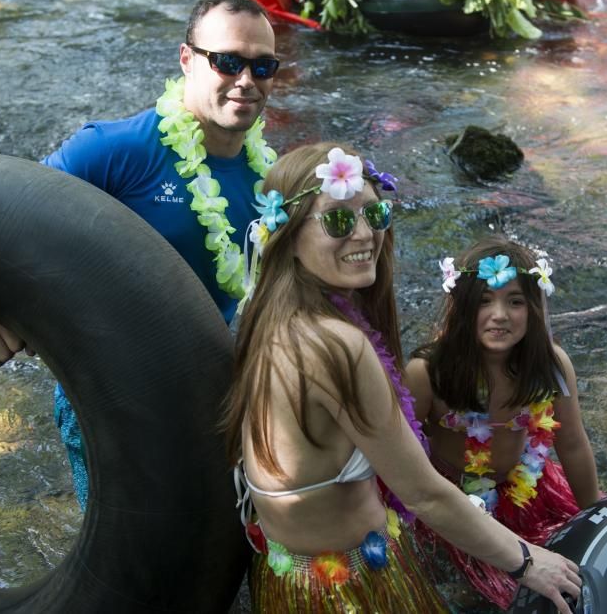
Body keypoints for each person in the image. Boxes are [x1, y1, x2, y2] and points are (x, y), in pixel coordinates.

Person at [225, 142, 582, 613]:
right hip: (348, 589)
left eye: (375, 214)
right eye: (337, 220)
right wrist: (526, 561)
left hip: (294, 576)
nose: (364, 234)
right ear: (288, 234)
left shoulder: (267, 316)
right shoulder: (335, 345)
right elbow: (424, 493)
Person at [0, 0, 280, 510]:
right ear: (187, 60)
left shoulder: (267, 175)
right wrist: (10, 317)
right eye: (227, 61)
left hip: (207, 388)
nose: (246, 80)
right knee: (125, 570)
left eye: (262, 66)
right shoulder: (116, 150)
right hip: (105, 395)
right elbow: (9, 215)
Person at [406, 237, 600, 610]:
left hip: (528, 486)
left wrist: (596, 516)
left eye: (515, 301)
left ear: (533, 309)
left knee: (576, 577)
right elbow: (401, 460)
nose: (500, 314)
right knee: (492, 597)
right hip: (458, 498)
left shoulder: (551, 366)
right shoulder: (429, 374)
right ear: (461, 308)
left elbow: (572, 443)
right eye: (484, 302)